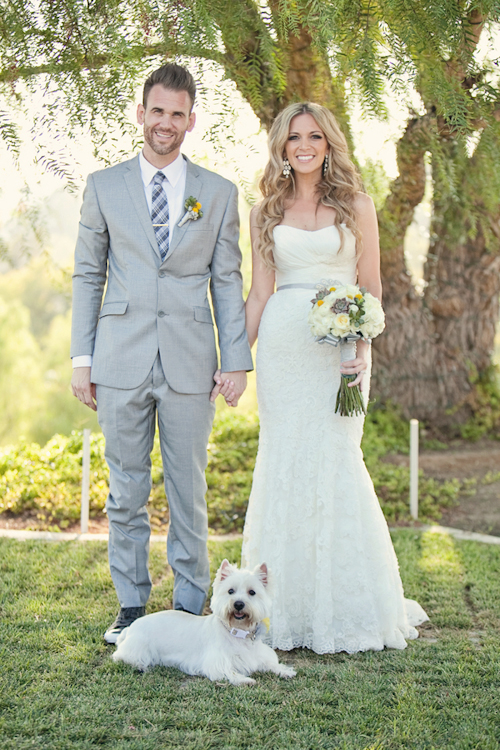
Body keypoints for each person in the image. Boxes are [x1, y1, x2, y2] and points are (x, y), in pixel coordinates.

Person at [71, 63, 253, 644]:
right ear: (142, 113)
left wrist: (236, 359)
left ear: (191, 119)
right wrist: (82, 359)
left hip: (191, 360)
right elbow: (87, 275)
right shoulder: (103, 187)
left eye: (178, 113)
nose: (166, 123)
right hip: (118, 359)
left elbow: (227, 279)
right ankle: (130, 605)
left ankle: (189, 603)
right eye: (158, 111)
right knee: (125, 488)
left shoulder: (218, 193)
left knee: (187, 487)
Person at [241, 102, 428, 654]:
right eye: (294, 136)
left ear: (328, 144)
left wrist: (360, 345)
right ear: (280, 145)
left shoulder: (357, 205)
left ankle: (345, 604)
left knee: (337, 457)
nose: (304, 145)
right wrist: (232, 359)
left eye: (314, 136)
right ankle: (286, 607)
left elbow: (370, 288)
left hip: (340, 355)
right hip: (283, 350)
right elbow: (259, 293)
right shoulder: (264, 211)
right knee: (284, 459)